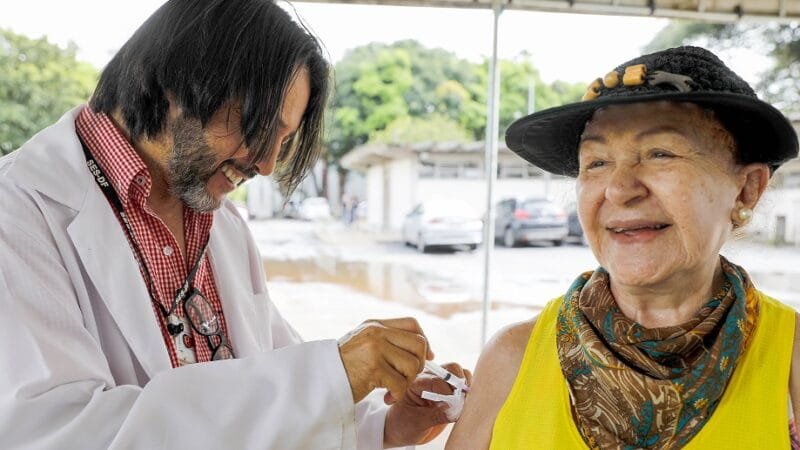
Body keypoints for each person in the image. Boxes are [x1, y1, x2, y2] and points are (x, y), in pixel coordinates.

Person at [0, 1, 467, 448]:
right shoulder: (19, 211)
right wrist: (330, 374)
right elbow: (59, 433)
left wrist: (384, 427)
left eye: (282, 141)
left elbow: (270, 379)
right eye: (257, 126)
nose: (266, 164)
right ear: (177, 80)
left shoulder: (219, 223)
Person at [447, 46, 800, 449]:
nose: (619, 189)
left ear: (746, 189)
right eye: (596, 162)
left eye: (660, 153)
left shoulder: (791, 361)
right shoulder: (513, 358)